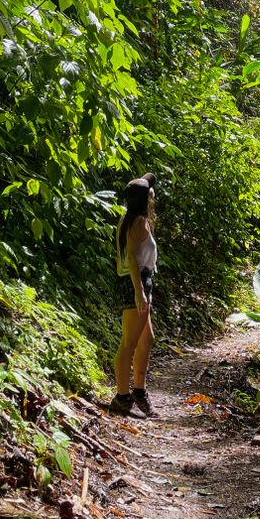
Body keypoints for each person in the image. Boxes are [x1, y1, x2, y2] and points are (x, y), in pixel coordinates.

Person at [108, 172, 159, 418]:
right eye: (149, 191)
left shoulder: (131, 218)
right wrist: (139, 292)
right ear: (145, 197)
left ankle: (138, 391)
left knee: (146, 339)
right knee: (128, 342)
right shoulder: (138, 222)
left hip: (140, 281)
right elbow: (130, 257)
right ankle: (122, 397)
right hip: (135, 282)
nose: (153, 192)